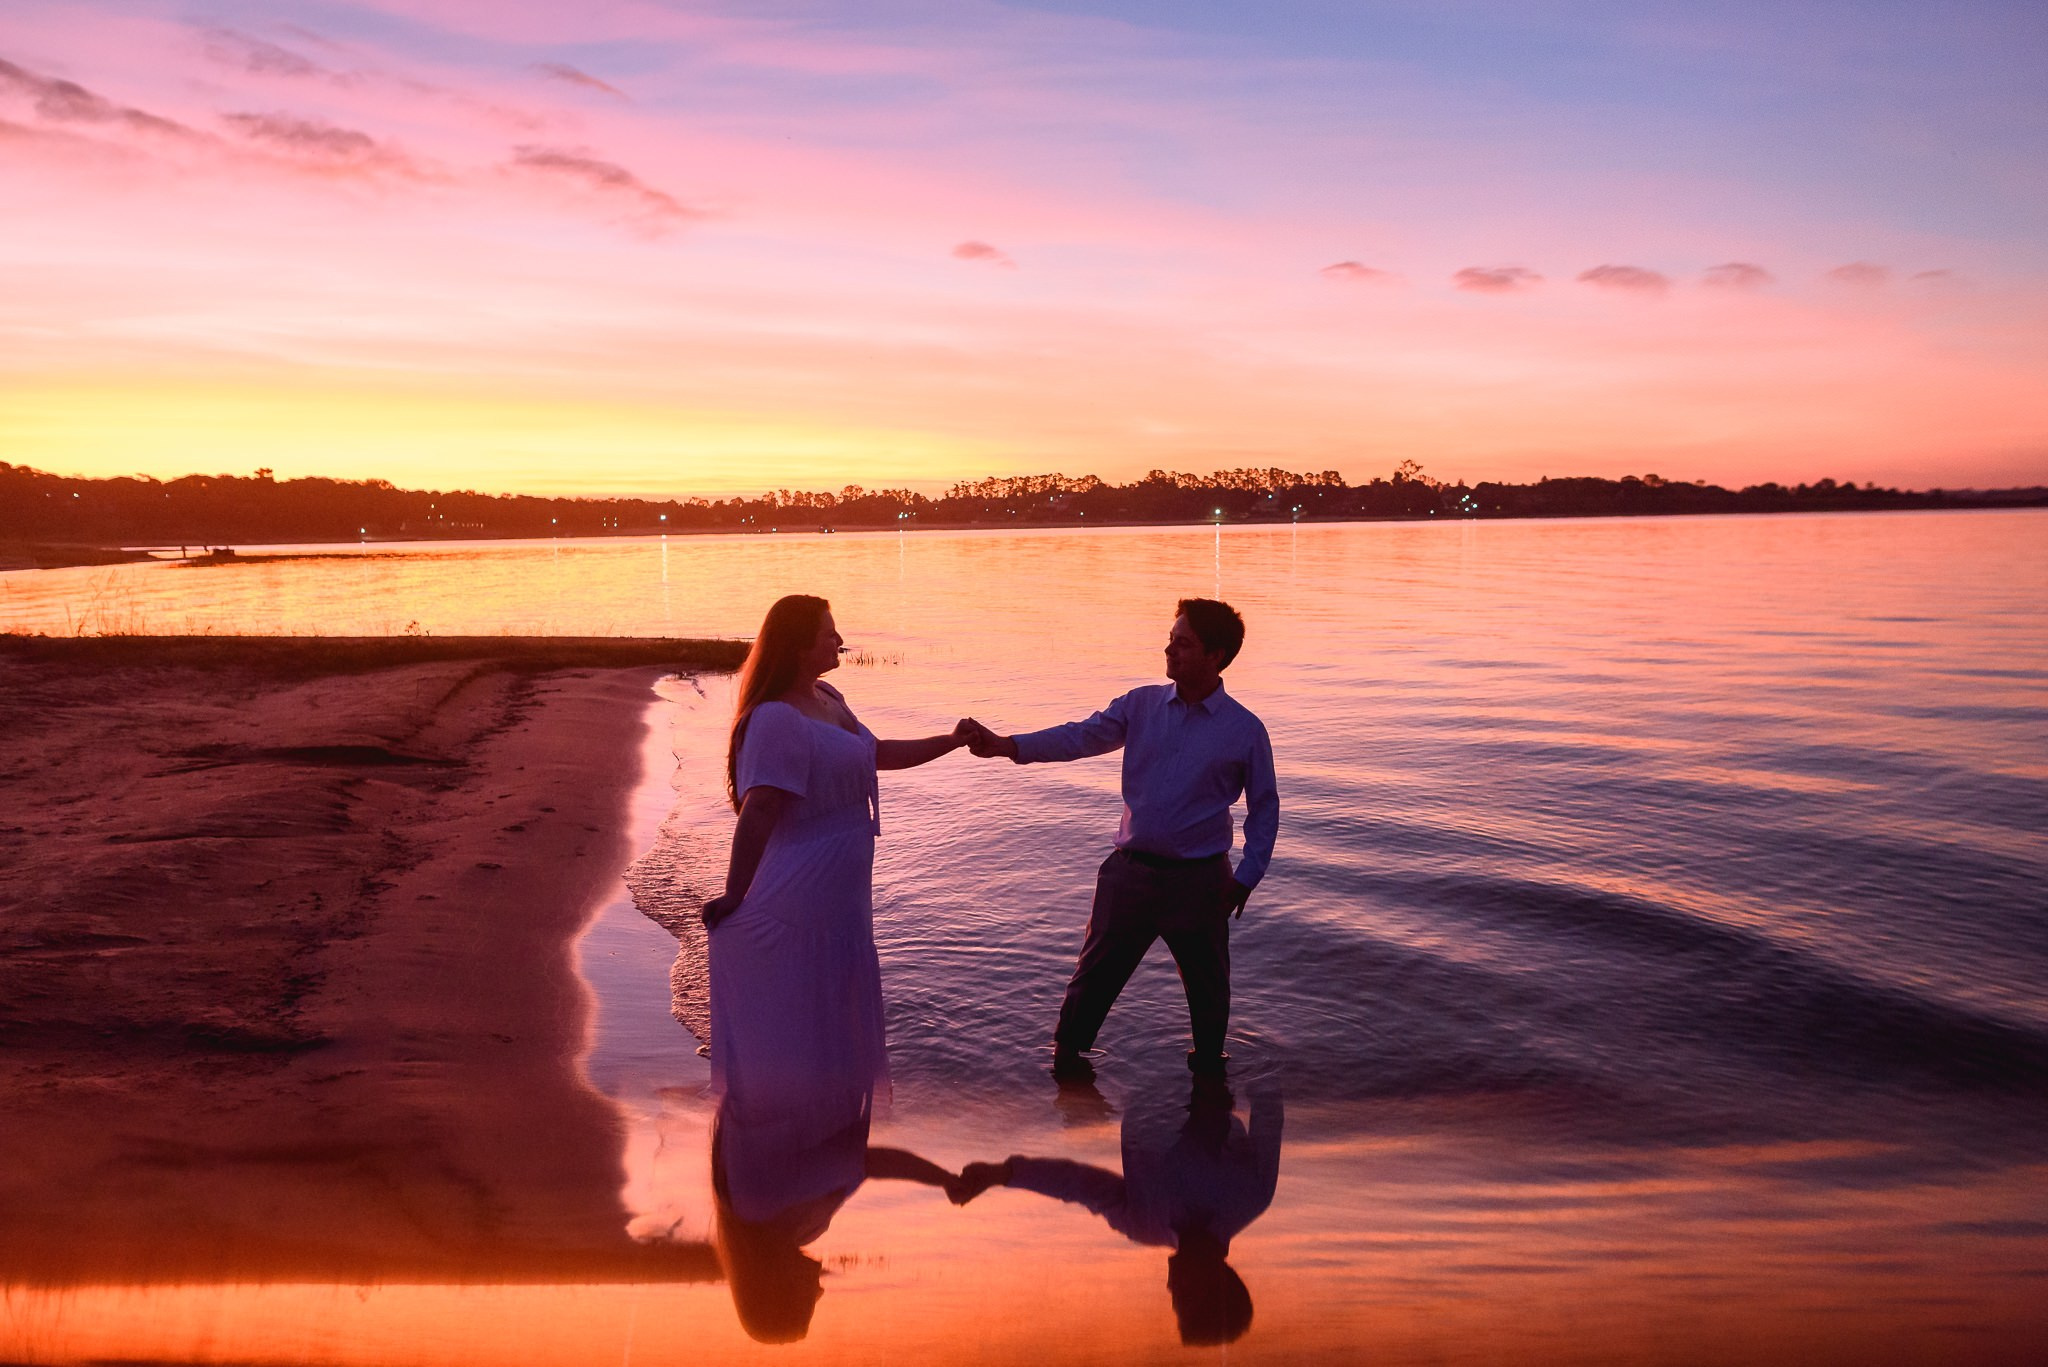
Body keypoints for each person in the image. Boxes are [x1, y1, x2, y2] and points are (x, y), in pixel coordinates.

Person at [700, 594, 970, 1159]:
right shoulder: (776, 717)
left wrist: (950, 741)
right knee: (800, 999)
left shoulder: (828, 699)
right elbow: (760, 809)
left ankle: (825, 1129)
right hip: (800, 885)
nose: (840, 641)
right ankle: (784, 1135)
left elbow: (878, 754)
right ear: (798, 646)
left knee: (832, 996)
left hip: (842, 893)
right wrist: (734, 894)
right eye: (828, 633)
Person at [961, 598, 1278, 1079]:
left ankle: (1211, 1090)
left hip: (1201, 884)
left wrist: (1247, 877)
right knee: (1090, 985)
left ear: (1216, 655)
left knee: (1209, 994)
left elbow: (1264, 807)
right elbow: (1079, 737)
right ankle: (1066, 1077)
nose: (1169, 649)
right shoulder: (1141, 705)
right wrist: (1009, 746)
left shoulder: (1245, 730)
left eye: (1183, 643)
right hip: (1128, 876)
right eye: (1171, 639)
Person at [952, 1078, 1282, 1347]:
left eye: (1174, 1301)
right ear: (1219, 1284)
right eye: (1184, 1296)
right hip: (1204, 1069)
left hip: (1138, 1073)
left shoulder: (1142, 1224)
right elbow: (1267, 1096)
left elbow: (1077, 1185)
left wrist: (1002, 1175)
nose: (1171, 1289)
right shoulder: (1252, 1196)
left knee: (1068, 1071)